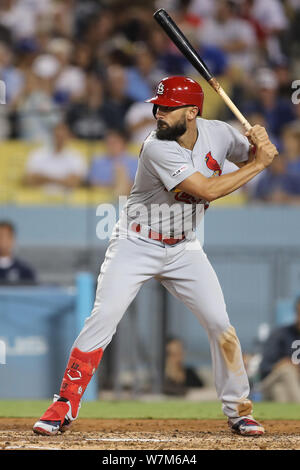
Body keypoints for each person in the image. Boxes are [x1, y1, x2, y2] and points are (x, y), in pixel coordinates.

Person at [33, 76, 277, 437]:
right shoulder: (156, 147)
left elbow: (253, 155)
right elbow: (208, 189)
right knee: (103, 318)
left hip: (184, 247)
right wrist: (259, 165)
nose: (158, 113)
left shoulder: (221, 134)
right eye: (157, 107)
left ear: (192, 112)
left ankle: (240, 410)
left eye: (167, 108)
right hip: (136, 243)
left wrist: (261, 145)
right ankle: (65, 403)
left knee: (220, 325)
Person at [24, 121, 87, 193]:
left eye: (63, 134)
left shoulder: (76, 156)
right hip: (39, 200)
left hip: (68, 200)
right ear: (52, 134)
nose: (59, 136)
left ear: (68, 135)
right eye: (57, 133)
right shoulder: (37, 154)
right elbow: (30, 180)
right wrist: (63, 180)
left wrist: (44, 178)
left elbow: (74, 183)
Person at [259, 297, 300, 402]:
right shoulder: (280, 334)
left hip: (287, 385)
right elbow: (264, 367)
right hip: (271, 380)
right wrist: (283, 364)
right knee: (287, 369)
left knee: (279, 390)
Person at [87, 129, 138, 198]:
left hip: (128, 196)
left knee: (121, 172)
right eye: (108, 143)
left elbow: (137, 184)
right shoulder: (98, 162)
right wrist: (112, 185)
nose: (111, 146)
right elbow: (92, 183)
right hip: (103, 196)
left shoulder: (134, 161)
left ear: (123, 143)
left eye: (115, 142)